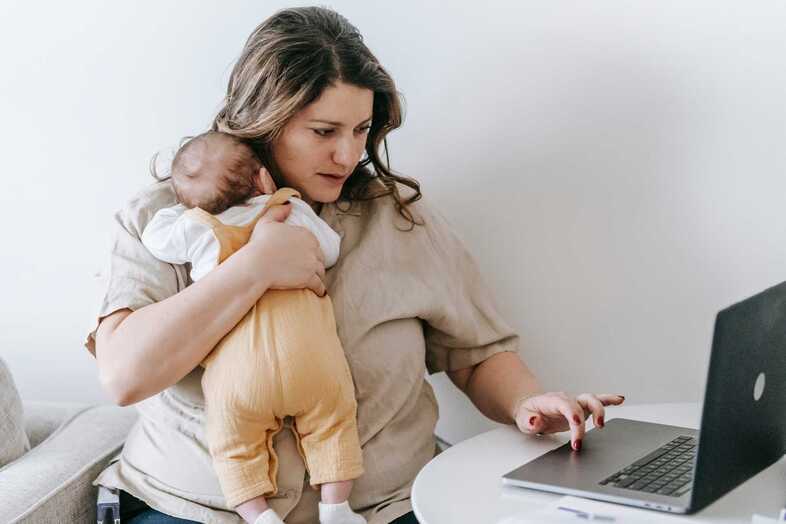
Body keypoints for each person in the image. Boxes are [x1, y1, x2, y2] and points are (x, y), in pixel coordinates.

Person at [87, 6, 625, 524]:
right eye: (324, 132)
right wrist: (254, 268)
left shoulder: (398, 219)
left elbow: (476, 353)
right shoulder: (165, 220)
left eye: (361, 130)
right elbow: (125, 375)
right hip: (198, 509)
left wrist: (527, 402)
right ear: (262, 122)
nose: (348, 155)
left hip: (386, 507)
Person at [140, 130, 366, 524]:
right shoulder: (289, 209)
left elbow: (155, 238)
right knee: (335, 422)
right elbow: (329, 249)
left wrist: (185, 207)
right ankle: (336, 508)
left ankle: (258, 515)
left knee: (232, 445)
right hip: (310, 359)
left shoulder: (199, 228)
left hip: (239, 374)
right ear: (263, 179)